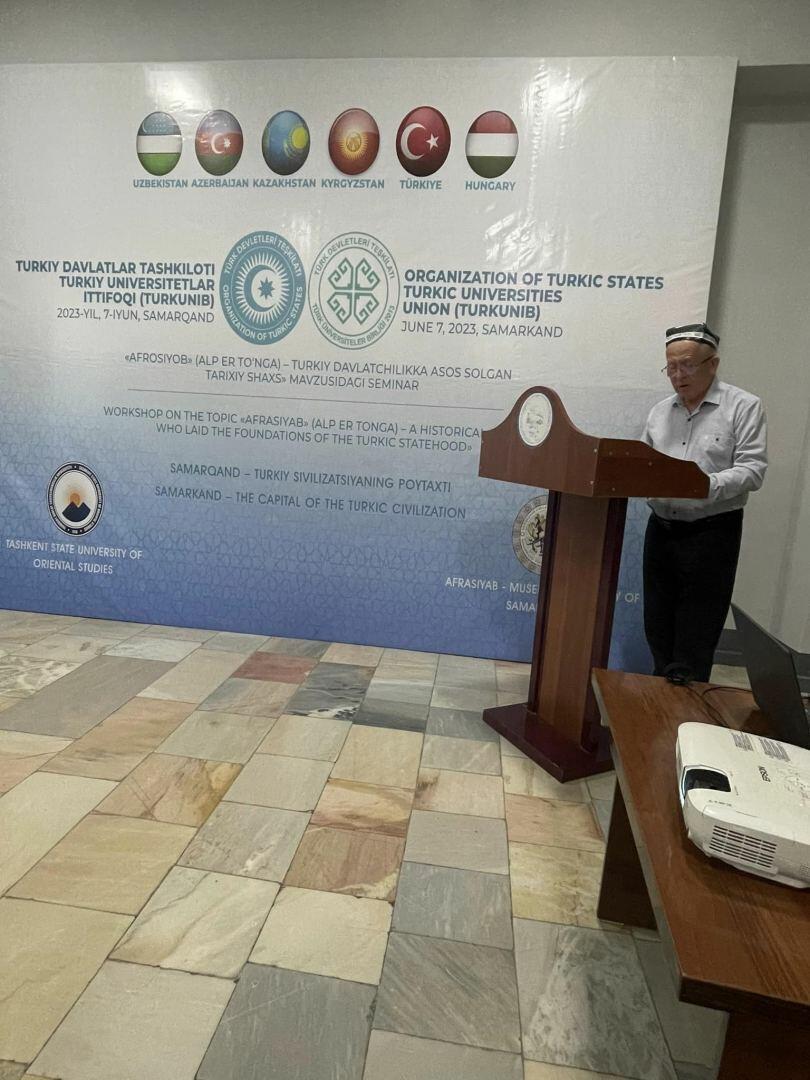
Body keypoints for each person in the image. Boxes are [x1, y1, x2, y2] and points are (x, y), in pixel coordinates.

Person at [641, 322, 767, 683]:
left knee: (697, 633)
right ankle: (657, 703)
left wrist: (703, 485)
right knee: (658, 627)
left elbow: (753, 470)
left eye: (687, 365)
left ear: (713, 364)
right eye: (671, 367)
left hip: (712, 533)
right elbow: (643, 465)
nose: (678, 376)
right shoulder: (659, 412)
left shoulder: (743, 406)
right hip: (661, 530)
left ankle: (688, 709)